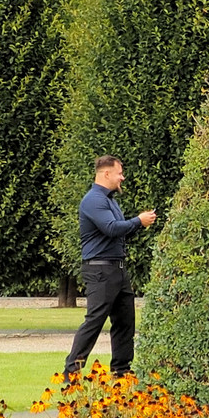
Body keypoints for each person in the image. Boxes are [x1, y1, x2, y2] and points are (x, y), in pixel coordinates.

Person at [66, 155, 157, 377]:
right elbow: (111, 228)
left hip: (116, 268)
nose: (122, 178)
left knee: (125, 321)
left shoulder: (110, 201)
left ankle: (122, 372)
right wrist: (138, 221)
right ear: (106, 174)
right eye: (119, 173)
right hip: (99, 270)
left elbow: (118, 232)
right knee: (95, 320)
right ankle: (72, 372)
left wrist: (136, 224)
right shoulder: (93, 200)